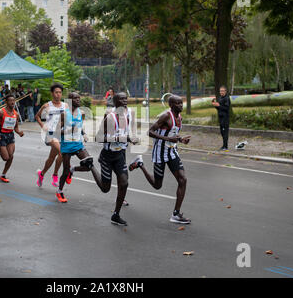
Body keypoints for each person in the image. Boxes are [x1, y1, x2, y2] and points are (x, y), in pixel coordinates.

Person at [128, 95, 192, 224]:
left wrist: (181, 139)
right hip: (160, 153)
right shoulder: (166, 116)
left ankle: (176, 214)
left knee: (183, 179)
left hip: (172, 152)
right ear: (171, 105)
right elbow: (150, 132)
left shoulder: (179, 117)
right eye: (178, 103)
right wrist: (169, 139)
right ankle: (140, 164)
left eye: (181, 103)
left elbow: (172, 133)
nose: (181, 105)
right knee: (157, 185)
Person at [91, 92, 139, 226]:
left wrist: (131, 139)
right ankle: (91, 167)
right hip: (107, 157)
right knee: (105, 189)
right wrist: (120, 139)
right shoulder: (110, 117)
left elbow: (125, 134)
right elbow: (98, 138)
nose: (125, 101)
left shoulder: (127, 115)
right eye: (121, 99)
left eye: (126, 99)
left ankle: (116, 214)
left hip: (119, 155)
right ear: (115, 102)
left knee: (124, 183)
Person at [56, 92, 89, 203]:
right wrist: (67, 130)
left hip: (78, 144)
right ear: (70, 101)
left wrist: (84, 134)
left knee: (88, 164)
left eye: (79, 98)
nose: (79, 100)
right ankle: (59, 191)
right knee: (65, 172)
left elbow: (79, 126)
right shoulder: (64, 114)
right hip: (66, 145)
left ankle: (73, 169)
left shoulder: (82, 113)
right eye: (76, 98)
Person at [35, 83, 65, 188]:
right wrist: (43, 125)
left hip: (60, 134)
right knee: (62, 152)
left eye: (60, 92)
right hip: (50, 134)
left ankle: (42, 174)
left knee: (52, 158)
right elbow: (37, 116)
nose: (58, 94)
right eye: (56, 92)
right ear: (52, 93)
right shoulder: (47, 106)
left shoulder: (65, 106)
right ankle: (55, 175)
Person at [0, 95, 24, 183]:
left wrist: (19, 132)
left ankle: (3, 175)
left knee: (11, 156)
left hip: (10, 136)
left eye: (13, 100)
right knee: (5, 158)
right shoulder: (1, 112)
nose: (12, 102)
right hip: (1, 136)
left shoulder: (16, 114)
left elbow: (15, 127)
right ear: (6, 102)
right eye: (10, 101)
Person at [212, 86, 231, 151]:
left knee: (225, 132)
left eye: (223, 91)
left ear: (225, 91)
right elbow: (219, 108)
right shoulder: (220, 98)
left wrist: (219, 106)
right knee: (222, 132)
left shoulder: (227, 99)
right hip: (220, 117)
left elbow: (226, 108)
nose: (221, 92)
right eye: (220, 91)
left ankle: (225, 146)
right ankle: (223, 145)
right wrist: (215, 105)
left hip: (225, 118)